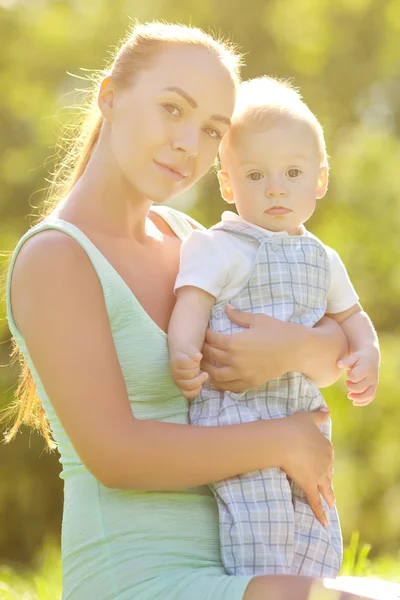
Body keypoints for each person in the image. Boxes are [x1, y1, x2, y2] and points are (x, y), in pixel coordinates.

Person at [4, 20, 366, 600]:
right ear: (110, 96)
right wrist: (284, 441)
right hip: (139, 578)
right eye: (172, 109)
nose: (188, 145)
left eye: (211, 131)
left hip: (246, 554)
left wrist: (300, 349)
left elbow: (328, 344)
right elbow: (117, 455)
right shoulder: (57, 257)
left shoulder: (192, 238)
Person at [168, 77, 380, 577]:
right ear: (228, 184)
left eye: (292, 172)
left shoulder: (323, 259)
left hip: (304, 420)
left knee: (317, 532)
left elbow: (353, 317)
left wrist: (366, 352)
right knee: (261, 535)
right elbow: (191, 302)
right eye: (257, 175)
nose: (276, 187)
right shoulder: (219, 246)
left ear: (320, 180)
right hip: (238, 424)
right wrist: (183, 349)